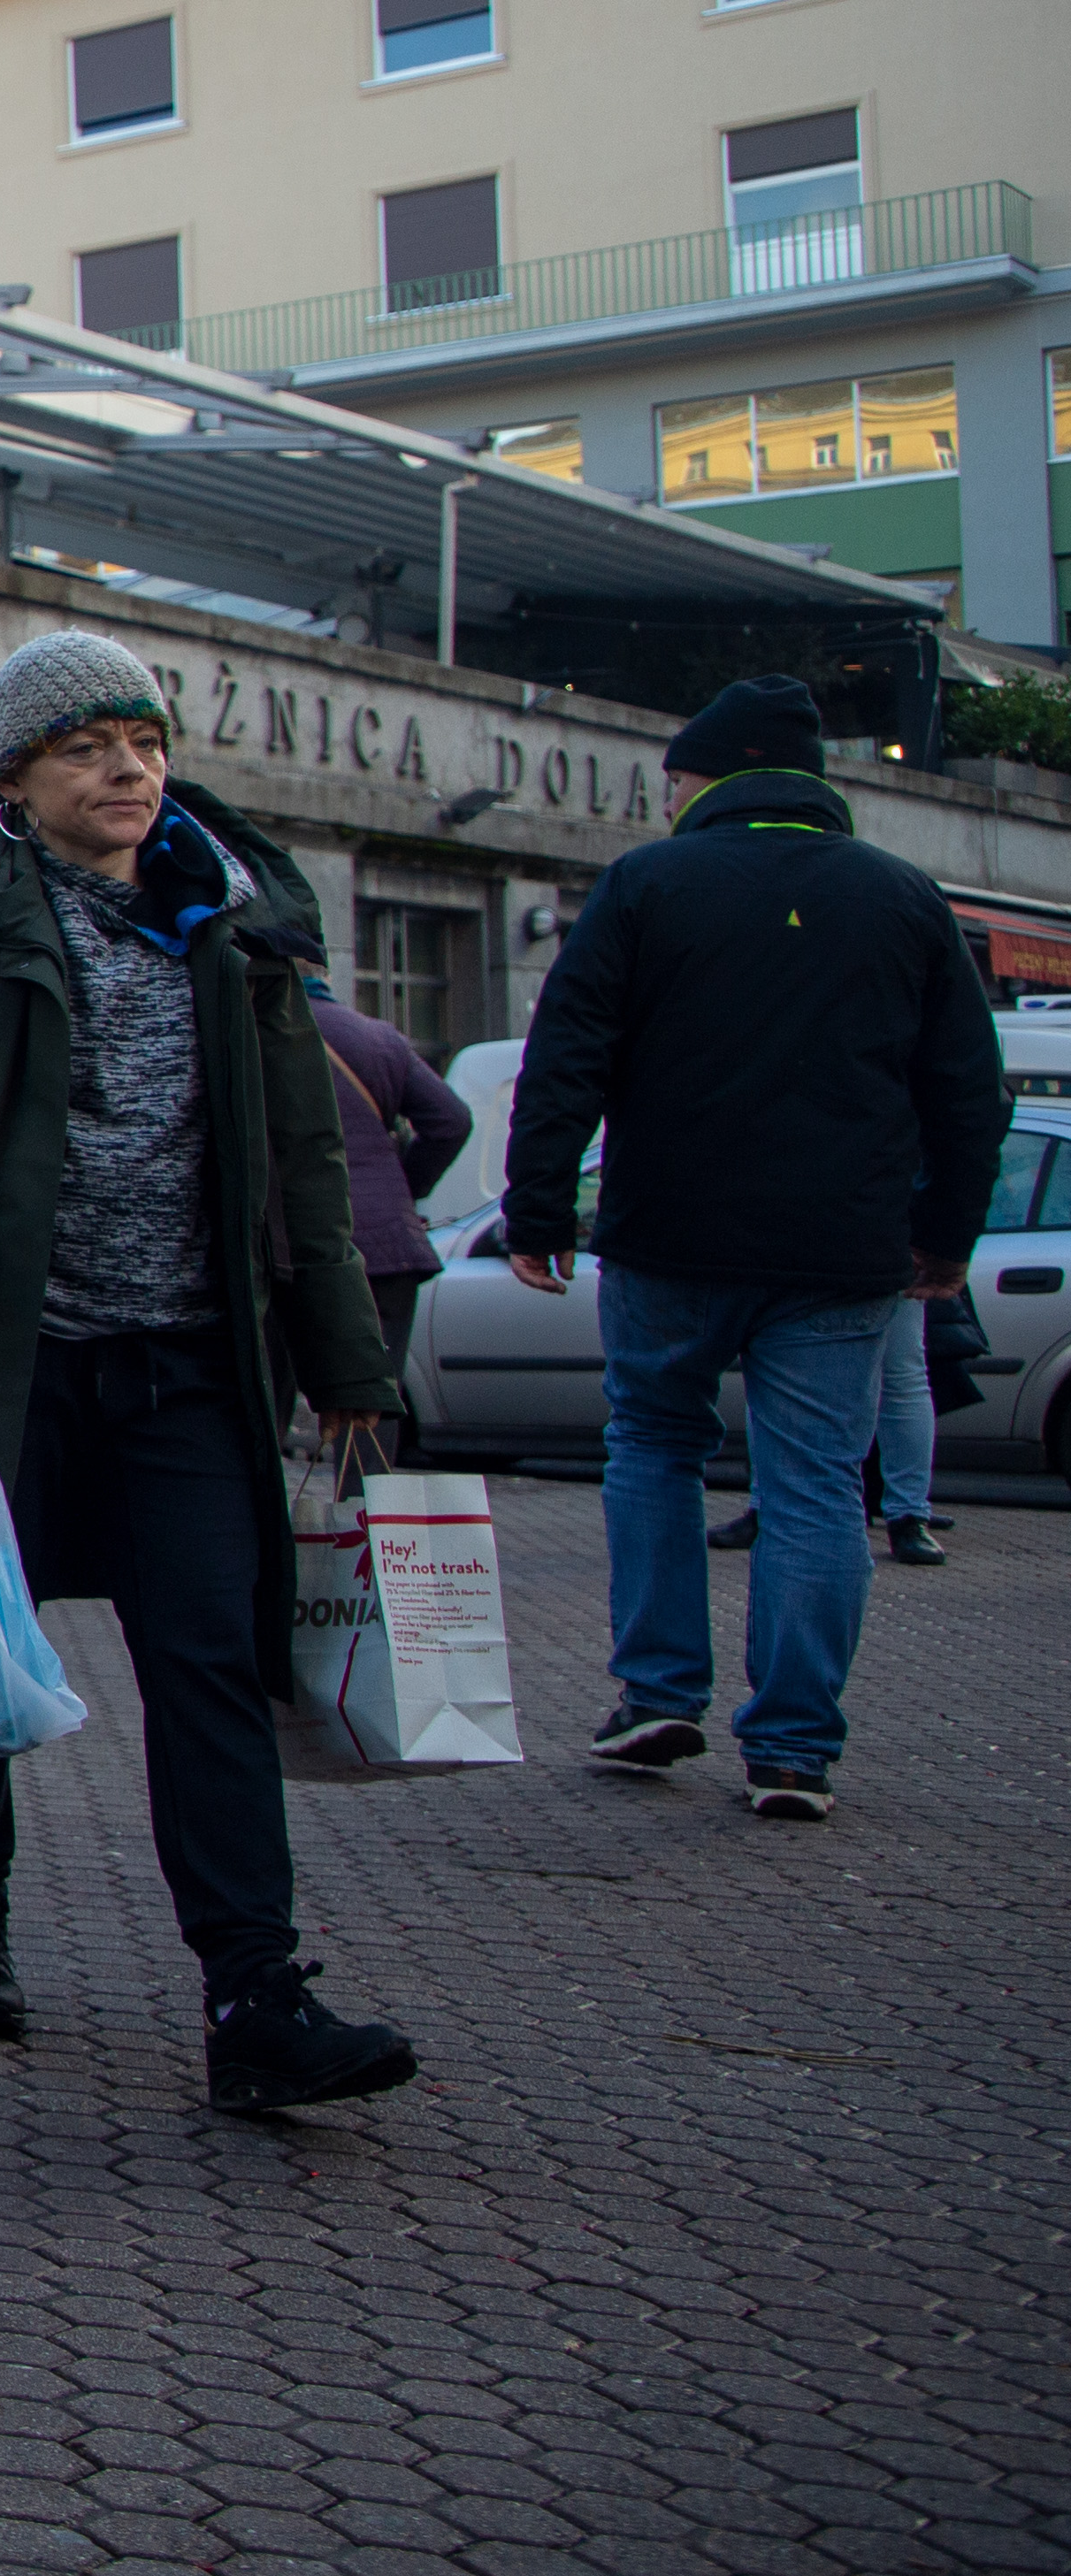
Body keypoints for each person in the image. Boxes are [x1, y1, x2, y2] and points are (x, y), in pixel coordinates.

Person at [0, 628, 416, 2115]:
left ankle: (254, 1993)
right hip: (5, 1374)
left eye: (144, 741)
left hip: (190, 1375)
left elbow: (300, 1170)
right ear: (17, 776)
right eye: (90, 748)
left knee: (213, 1666)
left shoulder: (235, 927)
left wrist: (347, 1358)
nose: (130, 769)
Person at [501, 670, 1001, 1824]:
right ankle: (793, 1748)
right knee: (818, 1482)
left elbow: (569, 1052)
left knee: (655, 1446)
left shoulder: (646, 885)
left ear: (698, 781)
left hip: (670, 1233)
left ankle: (657, 1690)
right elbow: (964, 1088)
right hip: (842, 1249)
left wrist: (537, 1211)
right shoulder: (904, 898)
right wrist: (945, 1235)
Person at [299, 972, 471, 1381]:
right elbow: (452, 1120)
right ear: (323, 973)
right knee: (374, 1401)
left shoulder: (252, 1034)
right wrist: (403, 1191)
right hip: (388, 1251)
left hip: (296, 1250)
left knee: (274, 1407)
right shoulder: (378, 1037)